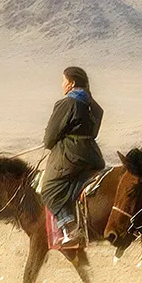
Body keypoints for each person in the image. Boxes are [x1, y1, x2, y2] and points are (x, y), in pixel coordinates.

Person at [41, 66, 105, 246]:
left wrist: (55, 140)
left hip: (71, 154)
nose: (62, 85)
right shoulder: (93, 105)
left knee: (49, 188)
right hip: (92, 154)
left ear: (71, 83)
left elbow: (49, 139)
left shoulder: (67, 103)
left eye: (63, 81)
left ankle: (69, 227)